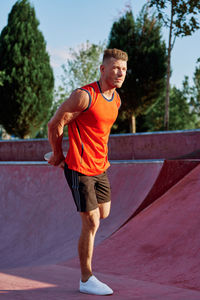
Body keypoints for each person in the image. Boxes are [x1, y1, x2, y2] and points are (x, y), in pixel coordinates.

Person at [47, 48, 128, 295]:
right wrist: (60, 155)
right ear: (103, 69)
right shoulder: (84, 96)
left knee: (104, 213)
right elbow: (55, 123)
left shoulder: (116, 99)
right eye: (115, 68)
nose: (120, 73)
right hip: (78, 167)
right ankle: (86, 279)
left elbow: (98, 132)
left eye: (124, 69)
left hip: (100, 166)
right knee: (91, 222)